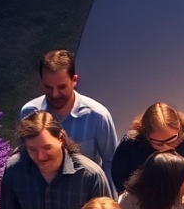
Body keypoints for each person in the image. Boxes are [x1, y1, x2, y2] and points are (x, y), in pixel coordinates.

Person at [0, 111, 112, 209]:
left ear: (61, 138)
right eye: (32, 150)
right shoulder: (14, 171)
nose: (41, 156)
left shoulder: (89, 175)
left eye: (47, 147)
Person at [20, 49, 118, 190]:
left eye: (62, 87)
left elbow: (110, 163)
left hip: (84, 196)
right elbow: (23, 160)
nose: (55, 94)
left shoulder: (98, 116)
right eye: (48, 87)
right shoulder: (29, 113)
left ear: (74, 81)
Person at [112, 101, 184, 196]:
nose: (166, 147)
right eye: (158, 143)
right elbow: (119, 177)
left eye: (171, 140)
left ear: (179, 129)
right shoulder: (132, 143)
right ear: (145, 135)